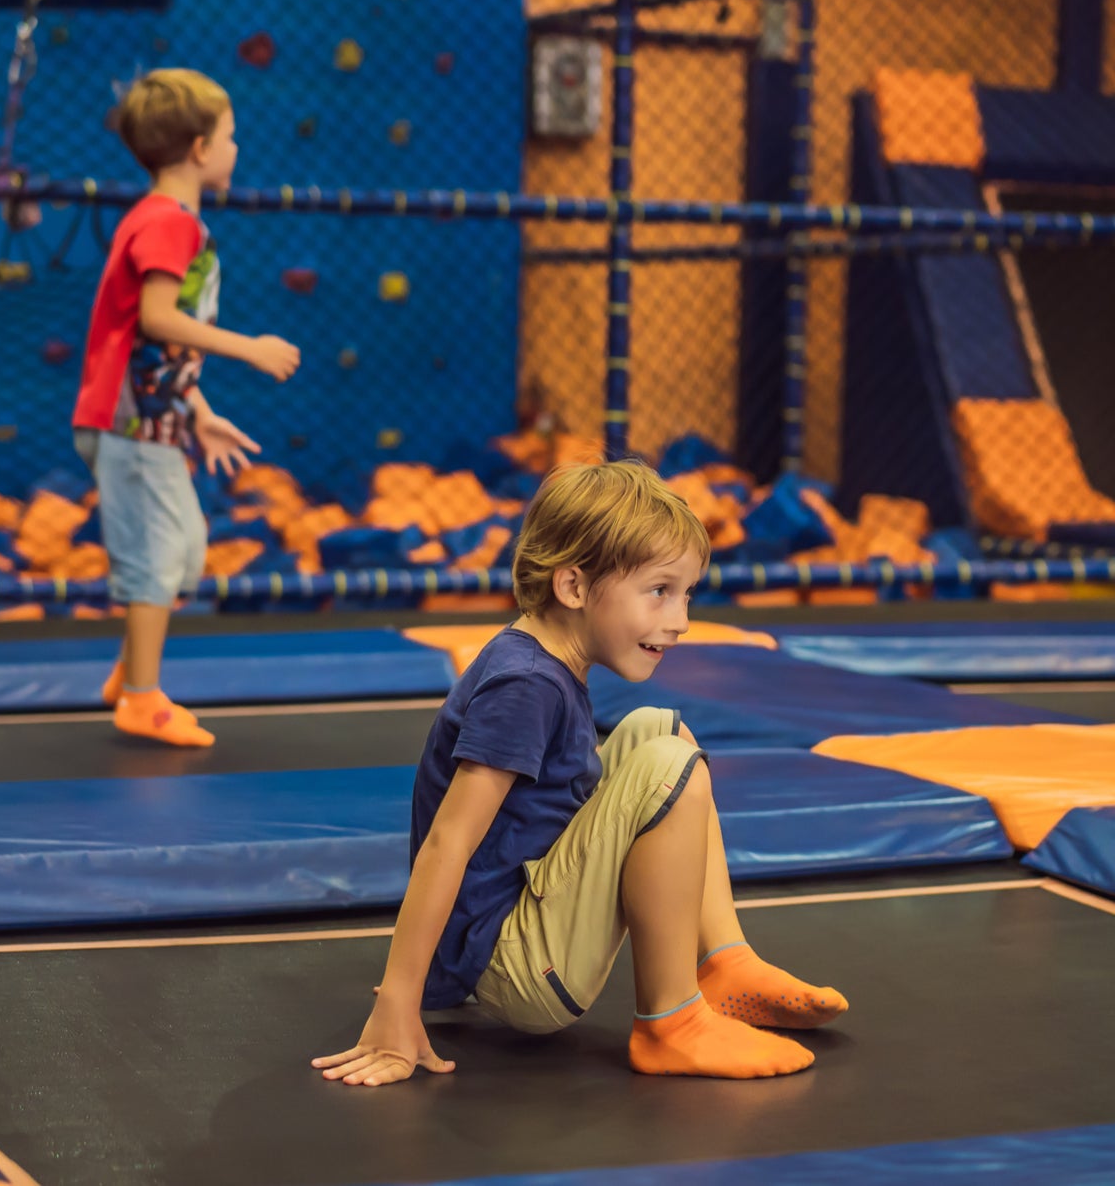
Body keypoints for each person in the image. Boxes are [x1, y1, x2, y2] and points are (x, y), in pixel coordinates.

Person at [313, 460, 848, 1085]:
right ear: (572, 587)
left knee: (662, 729)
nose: (679, 619)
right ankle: (671, 1023)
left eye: (686, 594)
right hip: (514, 967)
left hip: (508, 933)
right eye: (658, 592)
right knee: (665, 764)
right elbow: (447, 843)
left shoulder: (539, 659)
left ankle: (727, 960)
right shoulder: (527, 687)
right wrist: (398, 1004)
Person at [72, 69, 300, 748]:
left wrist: (196, 408)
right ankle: (140, 697)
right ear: (200, 148)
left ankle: (128, 671)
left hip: (150, 415)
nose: (238, 147)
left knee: (188, 553)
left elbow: (143, 340)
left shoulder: (166, 221)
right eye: (231, 136)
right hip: (129, 423)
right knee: (158, 553)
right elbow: (158, 318)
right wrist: (247, 348)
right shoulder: (170, 225)